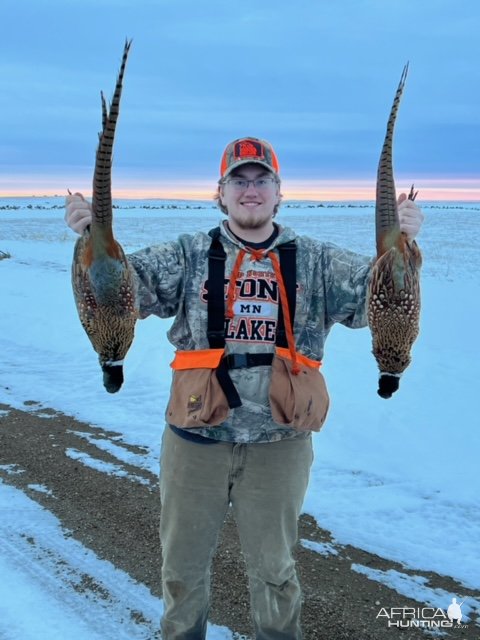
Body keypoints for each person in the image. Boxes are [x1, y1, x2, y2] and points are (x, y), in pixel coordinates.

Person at [65, 137, 424, 639]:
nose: (250, 190)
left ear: (279, 193)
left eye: (261, 181)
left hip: (280, 446)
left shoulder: (318, 261)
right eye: (239, 180)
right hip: (195, 441)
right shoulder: (188, 254)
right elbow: (125, 289)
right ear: (221, 193)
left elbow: (377, 303)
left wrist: (406, 245)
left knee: (275, 575)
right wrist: (89, 236)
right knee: (182, 573)